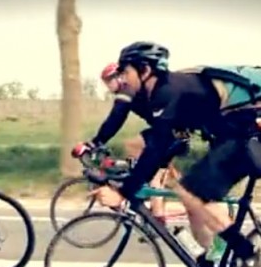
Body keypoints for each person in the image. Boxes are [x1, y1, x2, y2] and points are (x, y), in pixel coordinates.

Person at [90, 41, 261, 267]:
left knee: (193, 192)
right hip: (231, 135)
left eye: (126, 71)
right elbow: (157, 140)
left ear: (144, 70)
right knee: (191, 199)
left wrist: (125, 191)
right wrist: (110, 156)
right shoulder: (157, 94)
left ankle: (249, 254)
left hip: (245, 135)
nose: (122, 78)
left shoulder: (169, 91)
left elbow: (156, 148)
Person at [74, 62, 186, 225]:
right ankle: (154, 210)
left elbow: (116, 118)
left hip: (171, 132)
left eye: (108, 81)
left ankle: (158, 214)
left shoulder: (128, 89)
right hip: (165, 131)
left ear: (118, 77)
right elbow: (117, 118)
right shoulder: (129, 90)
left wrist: (96, 142)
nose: (108, 86)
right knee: (141, 157)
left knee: (141, 156)